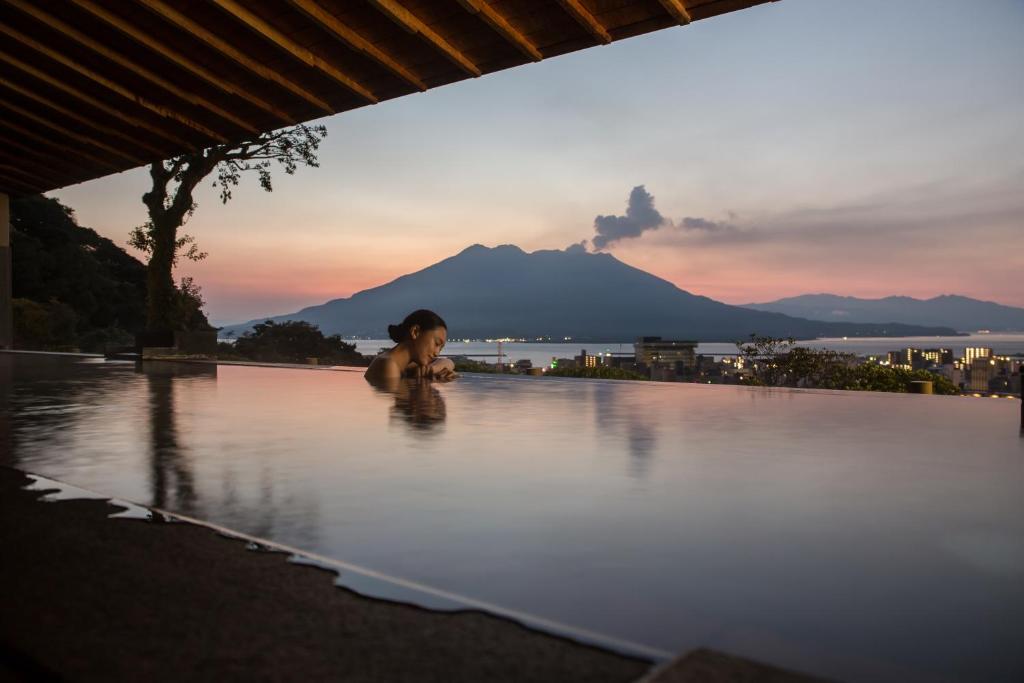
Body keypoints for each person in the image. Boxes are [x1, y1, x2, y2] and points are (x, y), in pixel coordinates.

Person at [364, 309, 457, 383]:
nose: (437, 353)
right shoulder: (389, 365)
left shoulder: (404, 363)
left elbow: (449, 362)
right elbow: (406, 404)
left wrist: (432, 369)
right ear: (415, 332)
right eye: (436, 343)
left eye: (441, 348)